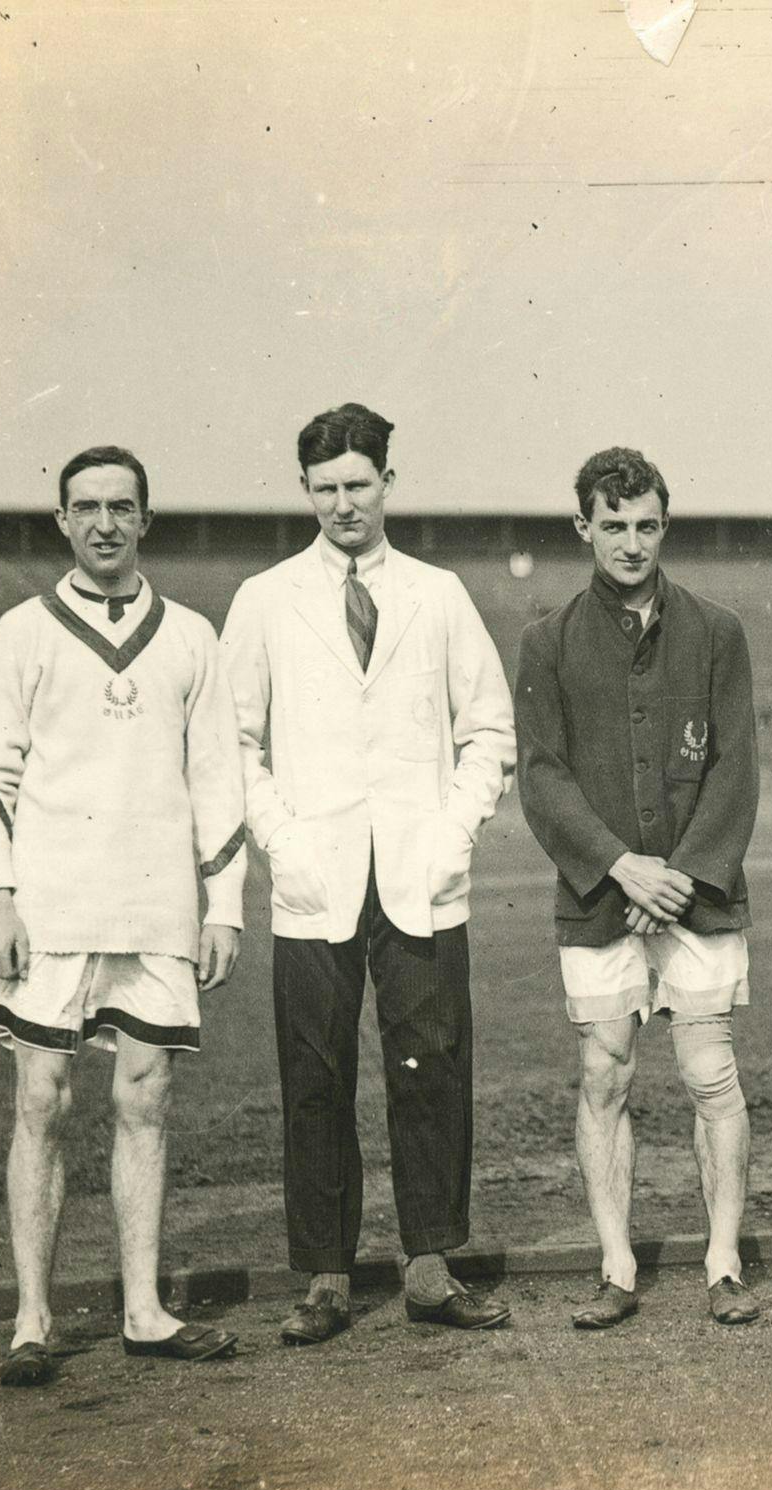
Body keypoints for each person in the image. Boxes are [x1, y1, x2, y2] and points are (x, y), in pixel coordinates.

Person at [222, 403, 517, 1344]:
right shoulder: (265, 598)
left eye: (359, 483)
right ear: (303, 491)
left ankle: (431, 1265)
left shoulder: (437, 593)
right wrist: (282, 839)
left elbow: (490, 731)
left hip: (419, 876)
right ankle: (324, 1275)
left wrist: (452, 833)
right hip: (314, 878)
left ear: (389, 481)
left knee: (428, 1068)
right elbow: (234, 745)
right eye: (326, 488)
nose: (344, 503)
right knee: (315, 1076)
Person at [0, 446, 246, 1386]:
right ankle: (32, 1318)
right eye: (87, 508)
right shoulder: (22, 632)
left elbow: (218, 782)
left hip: (158, 904)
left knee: (145, 1100)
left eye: (122, 508)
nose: (105, 525)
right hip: (53, 907)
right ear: (62, 521)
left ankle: (143, 1309)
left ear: (146, 520)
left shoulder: (192, 637)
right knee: (41, 1100)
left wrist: (225, 906)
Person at [514, 448, 763, 1329]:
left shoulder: (717, 632)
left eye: (645, 525)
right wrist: (619, 864)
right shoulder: (546, 641)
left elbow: (735, 769)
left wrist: (683, 874)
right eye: (611, 525)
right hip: (600, 899)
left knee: (709, 1070)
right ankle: (617, 1265)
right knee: (603, 1073)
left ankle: (723, 1260)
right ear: (583, 526)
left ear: (666, 525)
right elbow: (541, 779)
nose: (629, 542)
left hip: (697, 896)